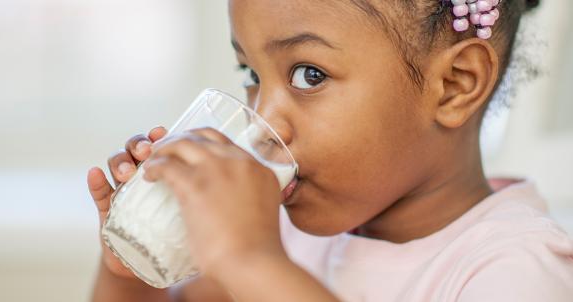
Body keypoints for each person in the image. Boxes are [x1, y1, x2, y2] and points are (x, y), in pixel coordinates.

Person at [87, 0, 573, 301]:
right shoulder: (295, 236)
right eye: (253, 76)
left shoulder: (516, 270)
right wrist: (133, 272)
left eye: (308, 75)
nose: (264, 122)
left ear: (454, 84)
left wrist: (254, 261)